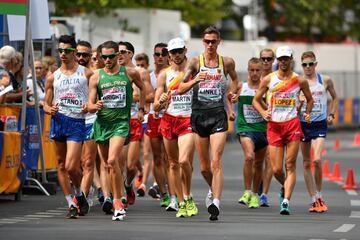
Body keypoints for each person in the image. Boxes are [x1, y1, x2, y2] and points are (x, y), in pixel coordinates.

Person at [178, 26, 239, 221]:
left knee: (216, 162)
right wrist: (196, 79)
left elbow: (235, 81)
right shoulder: (195, 63)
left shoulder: (227, 62)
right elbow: (180, 88)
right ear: (203, 42)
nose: (210, 44)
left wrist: (233, 94)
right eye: (207, 41)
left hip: (218, 115)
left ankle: (216, 203)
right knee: (204, 167)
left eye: (214, 41)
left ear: (219, 41)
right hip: (198, 116)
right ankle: (212, 190)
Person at [252, 46, 314, 215]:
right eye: (280, 59)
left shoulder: (299, 80)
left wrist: (307, 113)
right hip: (274, 126)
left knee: (290, 165)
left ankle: (286, 201)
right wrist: (264, 112)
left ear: (291, 58)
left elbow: (310, 100)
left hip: (292, 124)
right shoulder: (269, 79)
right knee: (277, 168)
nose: (283, 61)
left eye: (286, 58)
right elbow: (256, 100)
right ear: (277, 60)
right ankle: (285, 186)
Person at [88, 40, 145, 221]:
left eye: (110, 56)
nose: (107, 60)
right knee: (107, 164)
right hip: (102, 124)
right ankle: (112, 196)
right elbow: (90, 103)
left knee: (112, 160)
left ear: (118, 56)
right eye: (103, 56)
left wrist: (142, 109)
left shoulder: (129, 73)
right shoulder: (96, 77)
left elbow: (143, 89)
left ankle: (118, 203)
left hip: (121, 124)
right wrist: (93, 105)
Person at [43, 35, 93, 219]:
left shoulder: (86, 74)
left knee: (73, 166)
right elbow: (45, 104)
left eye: (67, 50)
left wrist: (90, 105)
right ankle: (71, 203)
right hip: (59, 120)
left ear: (74, 52)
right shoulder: (52, 76)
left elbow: (95, 96)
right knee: (62, 165)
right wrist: (49, 109)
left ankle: (79, 194)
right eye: (61, 50)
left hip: (77, 122)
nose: (63, 54)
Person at [154, 37, 198, 217]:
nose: (177, 55)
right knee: (172, 164)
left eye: (180, 51)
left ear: (185, 51)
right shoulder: (164, 74)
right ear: (169, 55)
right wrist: (160, 100)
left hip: (188, 119)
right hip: (169, 120)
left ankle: (188, 196)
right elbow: (156, 106)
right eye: (173, 52)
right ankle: (180, 202)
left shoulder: (194, 70)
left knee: (184, 161)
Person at [299, 51, 338, 213]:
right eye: (304, 64)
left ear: (316, 64)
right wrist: (299, 105)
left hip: (320, 124)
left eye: (310, 64)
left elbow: (335, 98)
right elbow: (294, 106)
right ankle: (313, 199)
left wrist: (332, 114)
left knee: (316, 160)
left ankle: (320, 194)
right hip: (302, 124)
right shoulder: (298, 82)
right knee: (307, 162)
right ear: (301, 66)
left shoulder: (325, 80)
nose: (308, 67)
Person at [118, 41, 154, 207]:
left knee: (131, 165)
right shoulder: (112, 72)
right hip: (117, 120)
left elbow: (149, 94)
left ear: (130, 54)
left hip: (134, 120)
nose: (119, 55)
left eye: (123, 52)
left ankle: (128, 184)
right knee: (117, 162)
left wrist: (142, 108)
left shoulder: (141, 72)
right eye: (117, 52)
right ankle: (119, 196)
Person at [235, 58, 268, 209]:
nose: (254, 73)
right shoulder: (241, 86)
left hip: (262, 129)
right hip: (245, 128)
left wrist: (260, 101)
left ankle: (255, 195)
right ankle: (247, 191)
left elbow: (270, 107)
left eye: (257, 70)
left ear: (262, 71)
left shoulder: (266, 88)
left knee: (259, 163)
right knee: (249, 157)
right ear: (248, 70)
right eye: (251, 70)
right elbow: (230, 98)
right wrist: (232, 100)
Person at [145, 43, 171, 206]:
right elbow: (146, 96)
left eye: (163, 53)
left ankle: (175, 192)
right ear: (153, 56)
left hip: (170, 117)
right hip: (154, 117)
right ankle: (163, 193)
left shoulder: (173, 74)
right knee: (157, 158)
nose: (160, 56)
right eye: (157, 54)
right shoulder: (149, 76)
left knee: (171, 159)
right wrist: (159, 97)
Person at [75, 40, 98, 207]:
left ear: (91, 56)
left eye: (85, 55)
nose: (81, 57)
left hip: (90, 120)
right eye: (79, 54)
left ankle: (83, 196)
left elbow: (100, 99)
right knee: (72, 164)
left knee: (88, 162)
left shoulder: (93, 75)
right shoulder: (63, 74)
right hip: (71, 121)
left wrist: (91, 106)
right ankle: (85, 189)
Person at [258, 48, 275, 207]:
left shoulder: (278, 78)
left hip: (272, 123)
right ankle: (256, 188)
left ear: (273, 60)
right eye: (263, 58)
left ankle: (264, 194)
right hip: (255, 124)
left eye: (269, 59)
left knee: (269, 159)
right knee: (257, 160)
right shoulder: (255, 74)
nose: (265, 62)